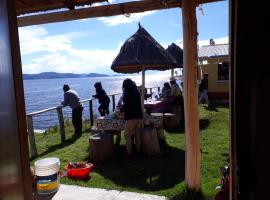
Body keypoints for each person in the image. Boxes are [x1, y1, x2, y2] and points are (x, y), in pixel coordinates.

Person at [121, 78, 143, 156]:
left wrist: (121, 109)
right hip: (139, 116)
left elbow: (126, 105)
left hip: (131, 117)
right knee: (137, 134)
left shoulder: (127, 92)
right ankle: (138, 150)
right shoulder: (136, 91)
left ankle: (129, 152)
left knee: (127, 135)